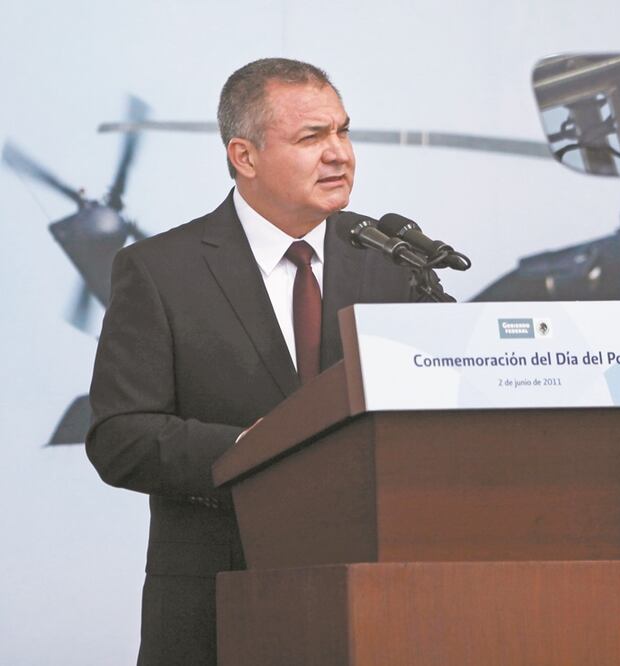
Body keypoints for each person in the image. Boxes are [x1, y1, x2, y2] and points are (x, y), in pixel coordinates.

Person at [86, 58, 414, 665]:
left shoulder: (393, 264)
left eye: (343, 131)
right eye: (312, 137)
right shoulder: (161, 272)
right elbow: (120, 436)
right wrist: (254, 447)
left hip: (378, 602)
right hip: (215, 607)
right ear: (244, 155)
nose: (339, 154)